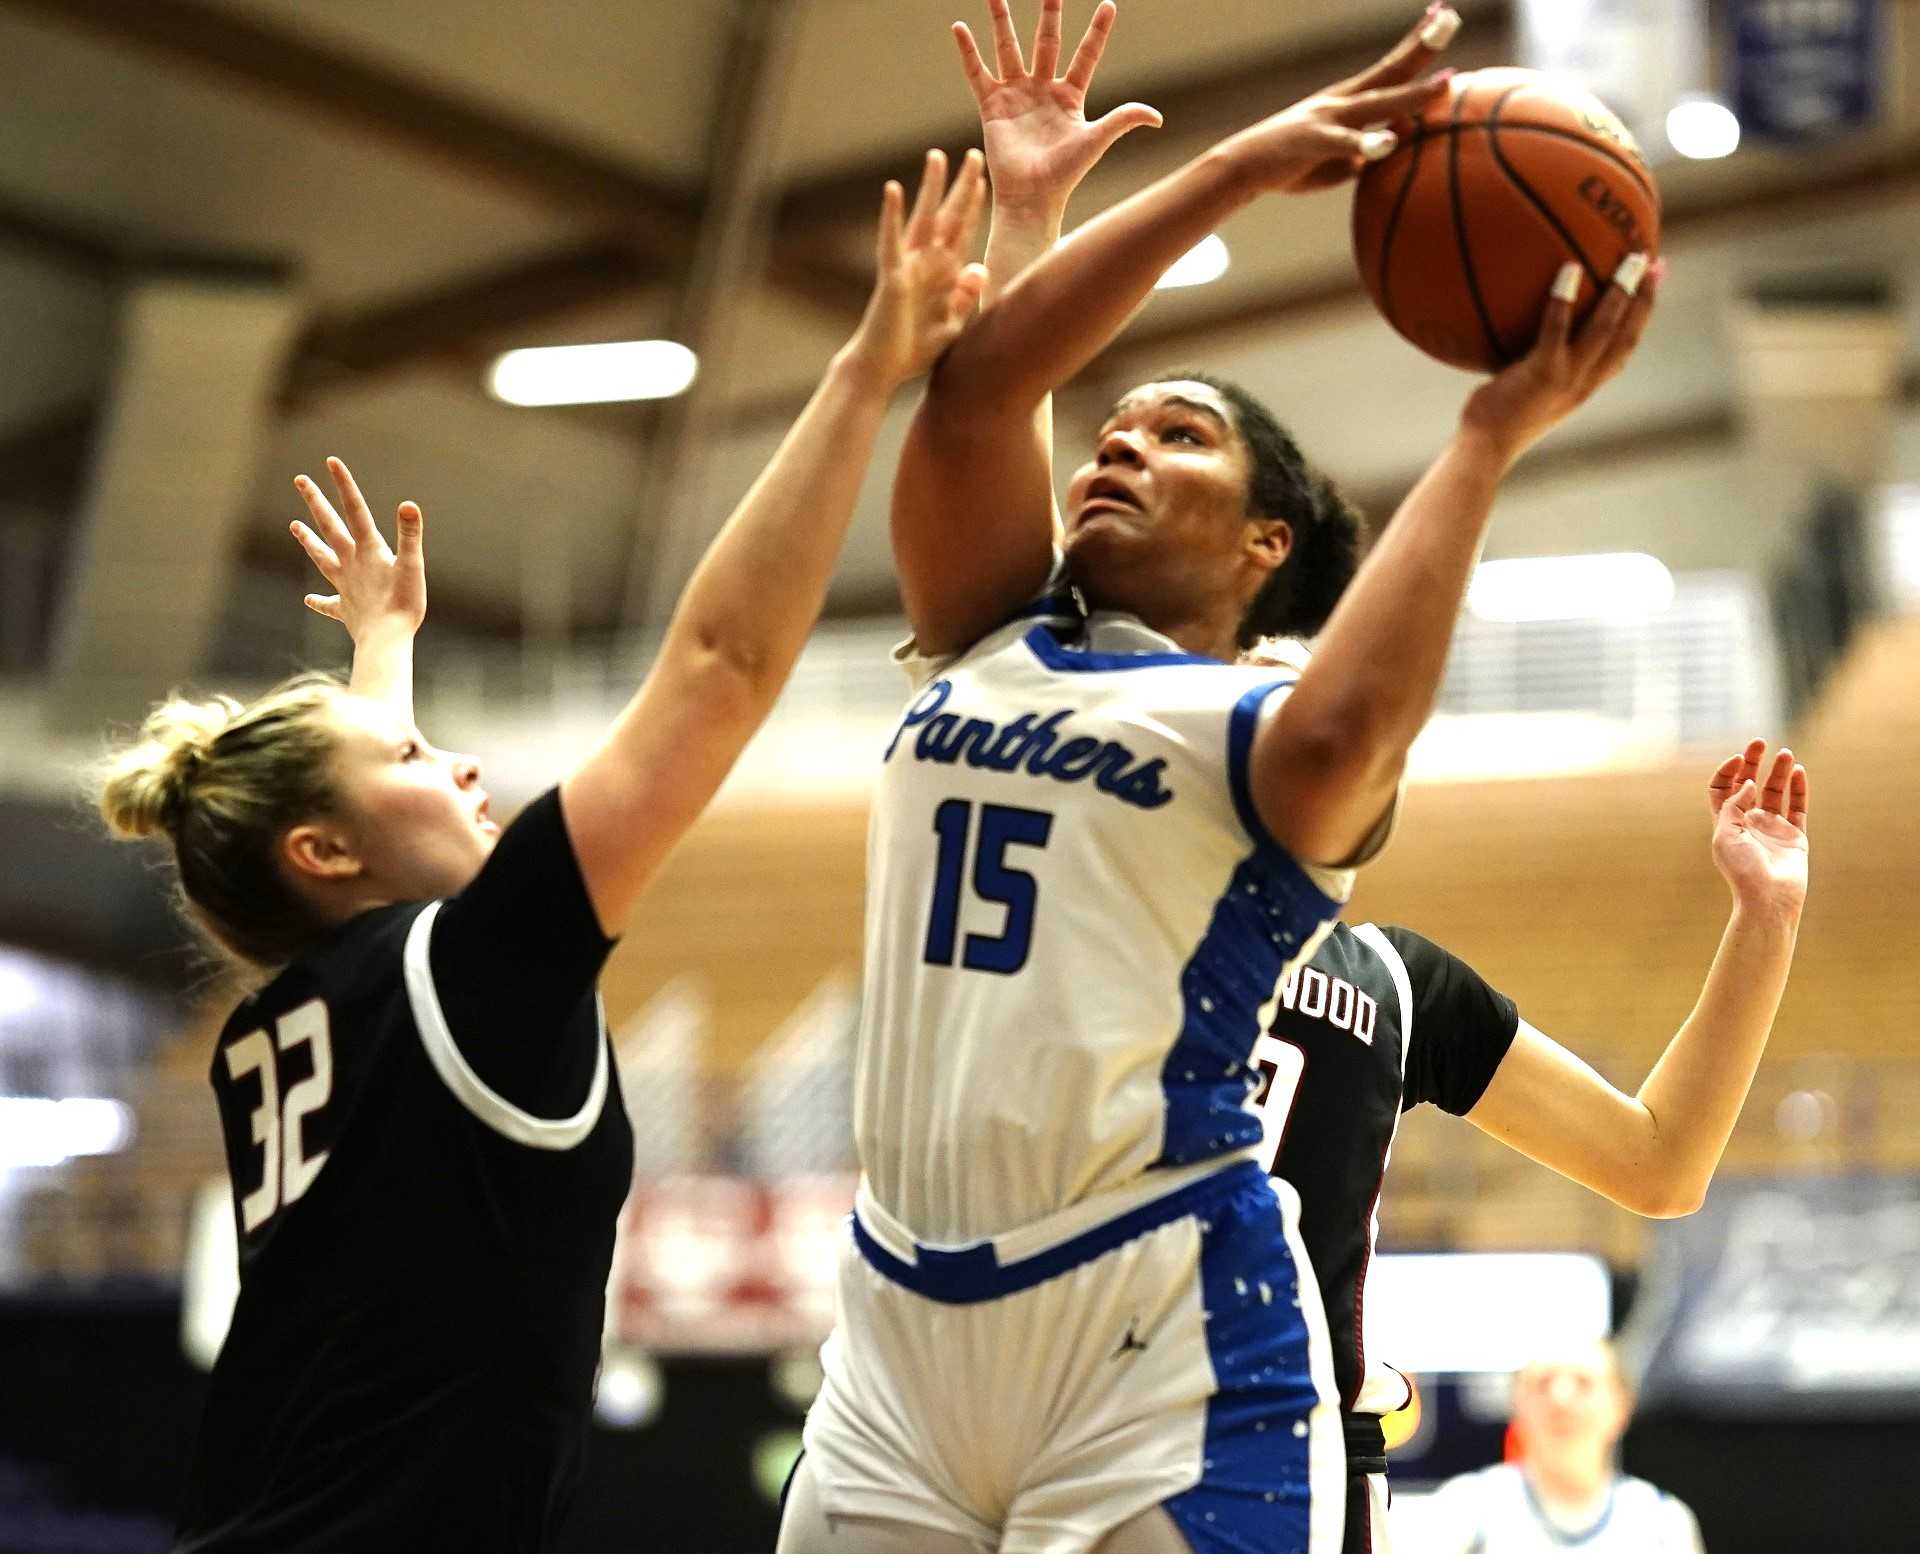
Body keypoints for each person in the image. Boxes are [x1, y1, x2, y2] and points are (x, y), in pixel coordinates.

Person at [779, 5, 1657, 1554]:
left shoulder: (1253, 720)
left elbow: (1349, 730)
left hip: (1161, 1332)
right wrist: (1216, 172)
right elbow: (979, 395)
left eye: (1175, 436)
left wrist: (1488, 435)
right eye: (1109, 427)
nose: (1116, 445)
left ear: (1266, 545)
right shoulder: (988, 635)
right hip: (900, 1336)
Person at [96, 151, 989, 1553]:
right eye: (413, 751)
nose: (455, 759)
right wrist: (866, 371)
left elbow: (354, 838)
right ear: (323, 847)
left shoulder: (287, 1016)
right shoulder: (474, 965)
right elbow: (719, 661)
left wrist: (380, 657)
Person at [1247, 732, 1806, 1553]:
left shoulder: (1394, 984)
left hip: (1303, 1475)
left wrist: (1768, 916)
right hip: (1079, 1425)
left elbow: (1661, 1165)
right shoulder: (1084, 941)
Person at [1397, 1340, 1705, 1552]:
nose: (1560, 1400)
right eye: (1543, 1383)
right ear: (1516, 1403)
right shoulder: (1464, 1508)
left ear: (1622, 1407)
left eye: (1583, 1383)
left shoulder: (1663, 1522)